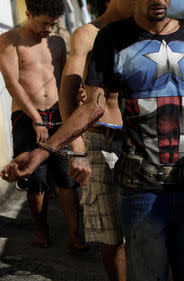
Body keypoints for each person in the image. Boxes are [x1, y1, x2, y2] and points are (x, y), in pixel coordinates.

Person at [0, 0, 184, 280]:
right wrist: (48, 151)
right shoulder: (107, 38)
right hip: (136, 175)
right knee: (133, 257)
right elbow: (91, 104)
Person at [0, 0, 87, 251]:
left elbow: (62, 78)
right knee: (35, 179)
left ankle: (74, 236)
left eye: (54, 23)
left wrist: (77, 95)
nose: (50, 29)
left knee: (66, 179)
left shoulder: (57, 42)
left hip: (58, 115)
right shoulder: (9, 40)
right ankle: (42, 232)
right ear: (28, 14)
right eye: (45, 23)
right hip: (27, 118)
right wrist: (36, 118)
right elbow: (12, 83)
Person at [58, 0, 135, 280]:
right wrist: (76, 148)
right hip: (99, 140)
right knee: (112, 237)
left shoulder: (146, 34)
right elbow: (67, 94)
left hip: (140, 143)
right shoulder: (87, 34)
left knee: (145, 230)